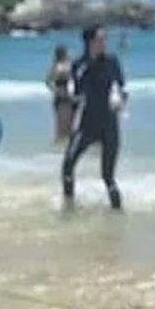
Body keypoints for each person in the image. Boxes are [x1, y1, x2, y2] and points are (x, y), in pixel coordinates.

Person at [61, 26, 128, 210]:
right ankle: (69, 206)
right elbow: (74, 94)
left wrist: (120, 99)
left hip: (109, 124)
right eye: (100, 39)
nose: (104, 43)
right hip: (87, 124)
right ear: (89, 42)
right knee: (68, 166)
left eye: (105, 39)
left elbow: (121, 88)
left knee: (107, 176)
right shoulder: (78, 65)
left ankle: (117, 213)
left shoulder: (112, 61)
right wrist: (68, 124)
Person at [45, 45, 75, 142]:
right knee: (62, 128)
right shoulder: (58, 67)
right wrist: (57, 91)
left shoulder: (66, 65)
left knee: (68, 127)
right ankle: (57, 150)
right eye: (68, 52)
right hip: (62, 98)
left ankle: (60, 150)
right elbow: (48, 81)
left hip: (68, 97)